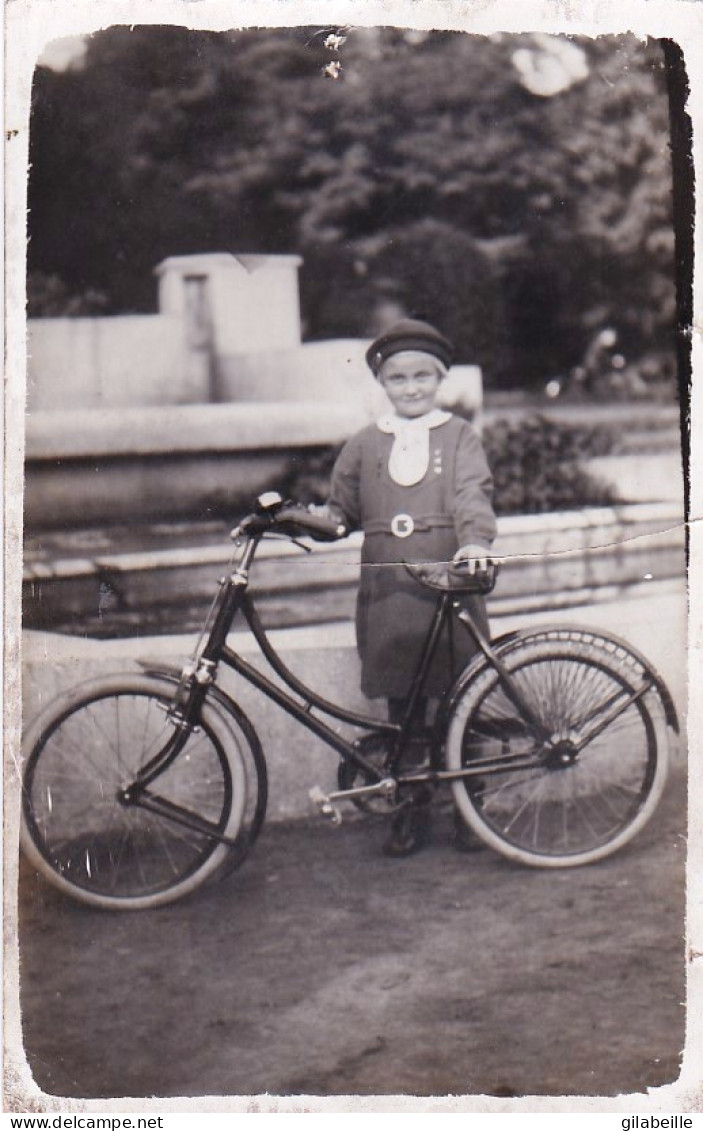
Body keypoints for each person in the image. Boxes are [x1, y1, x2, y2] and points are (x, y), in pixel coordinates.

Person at [321, 318, 497, 856]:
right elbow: (339, 510)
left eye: (423, 376)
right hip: (390, 588)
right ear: (383, 384)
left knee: (461, 697)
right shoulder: (364, 444)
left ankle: (472, 808)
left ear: (440, 379)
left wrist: (474, 542)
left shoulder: (460, 436)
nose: (412, 387)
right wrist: (302, 521)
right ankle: (410, 808)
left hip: (447, 583)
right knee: (403, 709)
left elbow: (472, 494)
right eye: (399, 378)